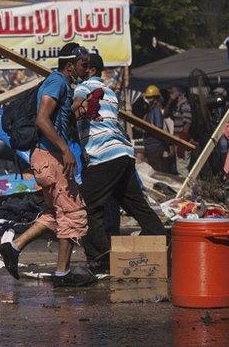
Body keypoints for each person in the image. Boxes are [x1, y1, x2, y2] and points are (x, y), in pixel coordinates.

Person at [0, 43, 94, 288]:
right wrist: (64, 150)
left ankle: (13, 247)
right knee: (72, 212)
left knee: (55, 213)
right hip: (50, 157)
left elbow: (56, 116)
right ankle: (62, 274)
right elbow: (42, 119)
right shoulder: (57, 82)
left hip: (46, 158)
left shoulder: (63, 85)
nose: (87, 68)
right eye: (83, 64)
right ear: (70, 64)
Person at [71, 54, 168, 272]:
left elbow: (76, 106)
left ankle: (102, 259)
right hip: (123, 153)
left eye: (83, 66)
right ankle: (162, 242)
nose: (79, 70)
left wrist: (68, 113)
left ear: (91, 70)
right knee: (136, 205)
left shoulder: (84, 87)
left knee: (85, 207)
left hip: (103, 156)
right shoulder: (112, 94)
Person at [142, 85, 174, 174]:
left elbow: (159, 129)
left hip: (156, 147)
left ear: (155, 98)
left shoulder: (156, 110)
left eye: (149, 97)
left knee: (159, 173)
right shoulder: (150, 111)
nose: (147, 99)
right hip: (151, 147)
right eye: (147, 97)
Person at [165, 86, 193, 173]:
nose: (170, 95)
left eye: (172, 93)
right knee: (179, 166)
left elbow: (188, 123)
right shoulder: (177, 106)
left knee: (182, 168)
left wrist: (182, 142)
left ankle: (186, 186)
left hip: (182, 140)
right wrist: (170, 100)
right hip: (178, 140)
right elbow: (165, 114)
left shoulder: (185, 105)